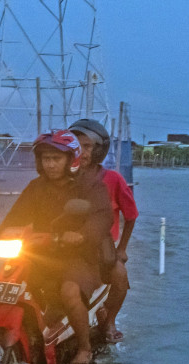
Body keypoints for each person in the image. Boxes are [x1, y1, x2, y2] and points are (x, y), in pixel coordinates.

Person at [0, 129, 115, 364]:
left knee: (69, 291)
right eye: (46, 159)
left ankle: (84, 348)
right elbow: (15, 218)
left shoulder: (89, 186)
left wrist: (82, 235)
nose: (50, 164)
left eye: (56, 159)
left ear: (71, 159)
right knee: (3, 283)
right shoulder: (36, 187)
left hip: (82, 254)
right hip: (42, 251)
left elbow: (102, 216)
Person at [68, 119, 139, 343]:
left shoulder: (113, 179)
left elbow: (131, 215)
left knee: (119, 276)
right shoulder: (63, 178)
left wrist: (122, 248)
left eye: (87, 146)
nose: (81, 152)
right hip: (65, 244)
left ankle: (109, 321)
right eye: (76, 146)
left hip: (102, 248)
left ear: (98, 150)